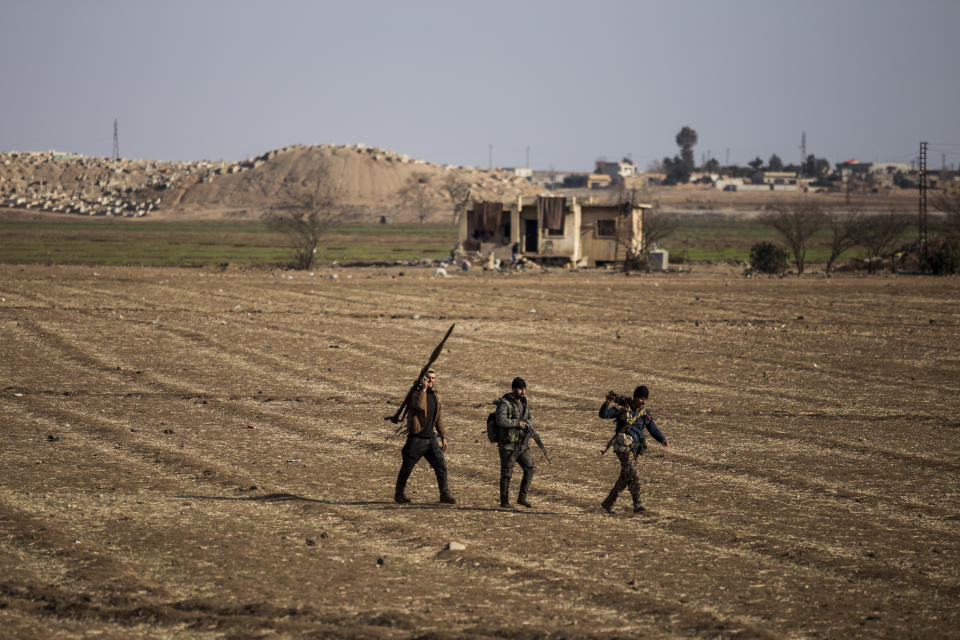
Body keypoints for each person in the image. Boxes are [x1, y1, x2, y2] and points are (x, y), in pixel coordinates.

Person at [598, 385, 669, 514]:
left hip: (635, 450)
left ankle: (608, 503)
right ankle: (637, 504)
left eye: (645, 399)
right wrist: (607, 402)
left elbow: (652, 428)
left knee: (625, 478)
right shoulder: (623, 410)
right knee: (634, 475)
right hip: (623, 448)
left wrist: (662, 439)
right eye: (641, 398)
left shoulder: (644, 413)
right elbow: (603, 415)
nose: (644, 401)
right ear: (635, 397)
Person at [394, 369, 456, 504]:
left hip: (431, 439)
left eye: (433, 378)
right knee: (407, 468)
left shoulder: (434, 395)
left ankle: (444, 494)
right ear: (423, 378)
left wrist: (443, 435)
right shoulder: (415, 394)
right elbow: (419, 406)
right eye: (428, 378)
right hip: (416, 439)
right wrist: (422, 389)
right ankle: (399, 494)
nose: (431, 381)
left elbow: (438, 417)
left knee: (441, 466)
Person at [495, 377, 536, 508]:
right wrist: (518, 423)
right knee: (507, 473)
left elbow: (529, 418)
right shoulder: (504, 403)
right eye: (520, 389)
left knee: (530, 468)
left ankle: (522, 498)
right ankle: (504, 501)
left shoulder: (524, 403)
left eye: (524, 389)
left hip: (521, 444)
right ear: (513, 389)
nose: (523, 391)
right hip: (508, 445)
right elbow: (500, 421)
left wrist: (529, 425)